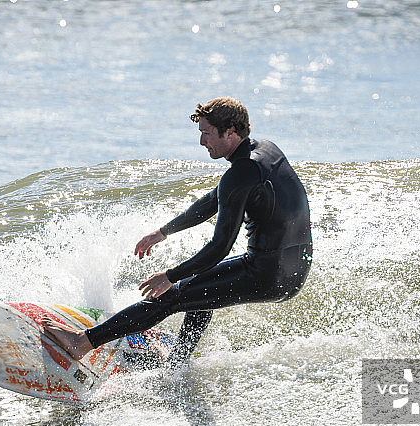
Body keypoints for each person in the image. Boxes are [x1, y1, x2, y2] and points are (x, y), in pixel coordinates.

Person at [43, 97, 312, 364]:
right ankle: (178, 363)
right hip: (293, 266)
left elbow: (220, 247)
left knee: (169, 296)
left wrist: (170, 276)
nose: (202, 142)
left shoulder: (239, 174)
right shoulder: (266, 150)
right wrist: (163, 232)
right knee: (200, 289)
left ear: (230, 132)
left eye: (207, 133)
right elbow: (215, 200)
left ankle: (82, 342)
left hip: (267, 274)